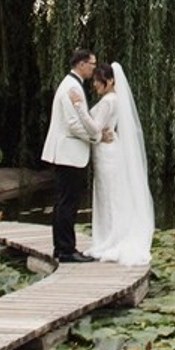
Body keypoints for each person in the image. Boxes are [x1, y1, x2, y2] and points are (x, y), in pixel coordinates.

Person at [40, 48, 112, 263]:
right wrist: (97, 137)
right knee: (68, 202)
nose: (94, 68)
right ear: (81, 64)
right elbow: (74, 125)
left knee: (64, 201)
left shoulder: (71, 84)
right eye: (92, 64)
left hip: (66, 152)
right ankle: (66, 250)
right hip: (69, 153)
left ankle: (61, 248)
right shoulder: (72, 87)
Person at [84, 60, 155, 266]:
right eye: (95, 81)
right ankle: (111, 235)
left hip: (106, 152)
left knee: (108, 195)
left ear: (110, 80)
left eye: (98, 81)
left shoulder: (108, 101)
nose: (95, 85)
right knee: (110, 194)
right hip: (108, 149)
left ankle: (110, 238)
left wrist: (80, 111)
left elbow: (96, 127)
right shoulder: (114, 99)